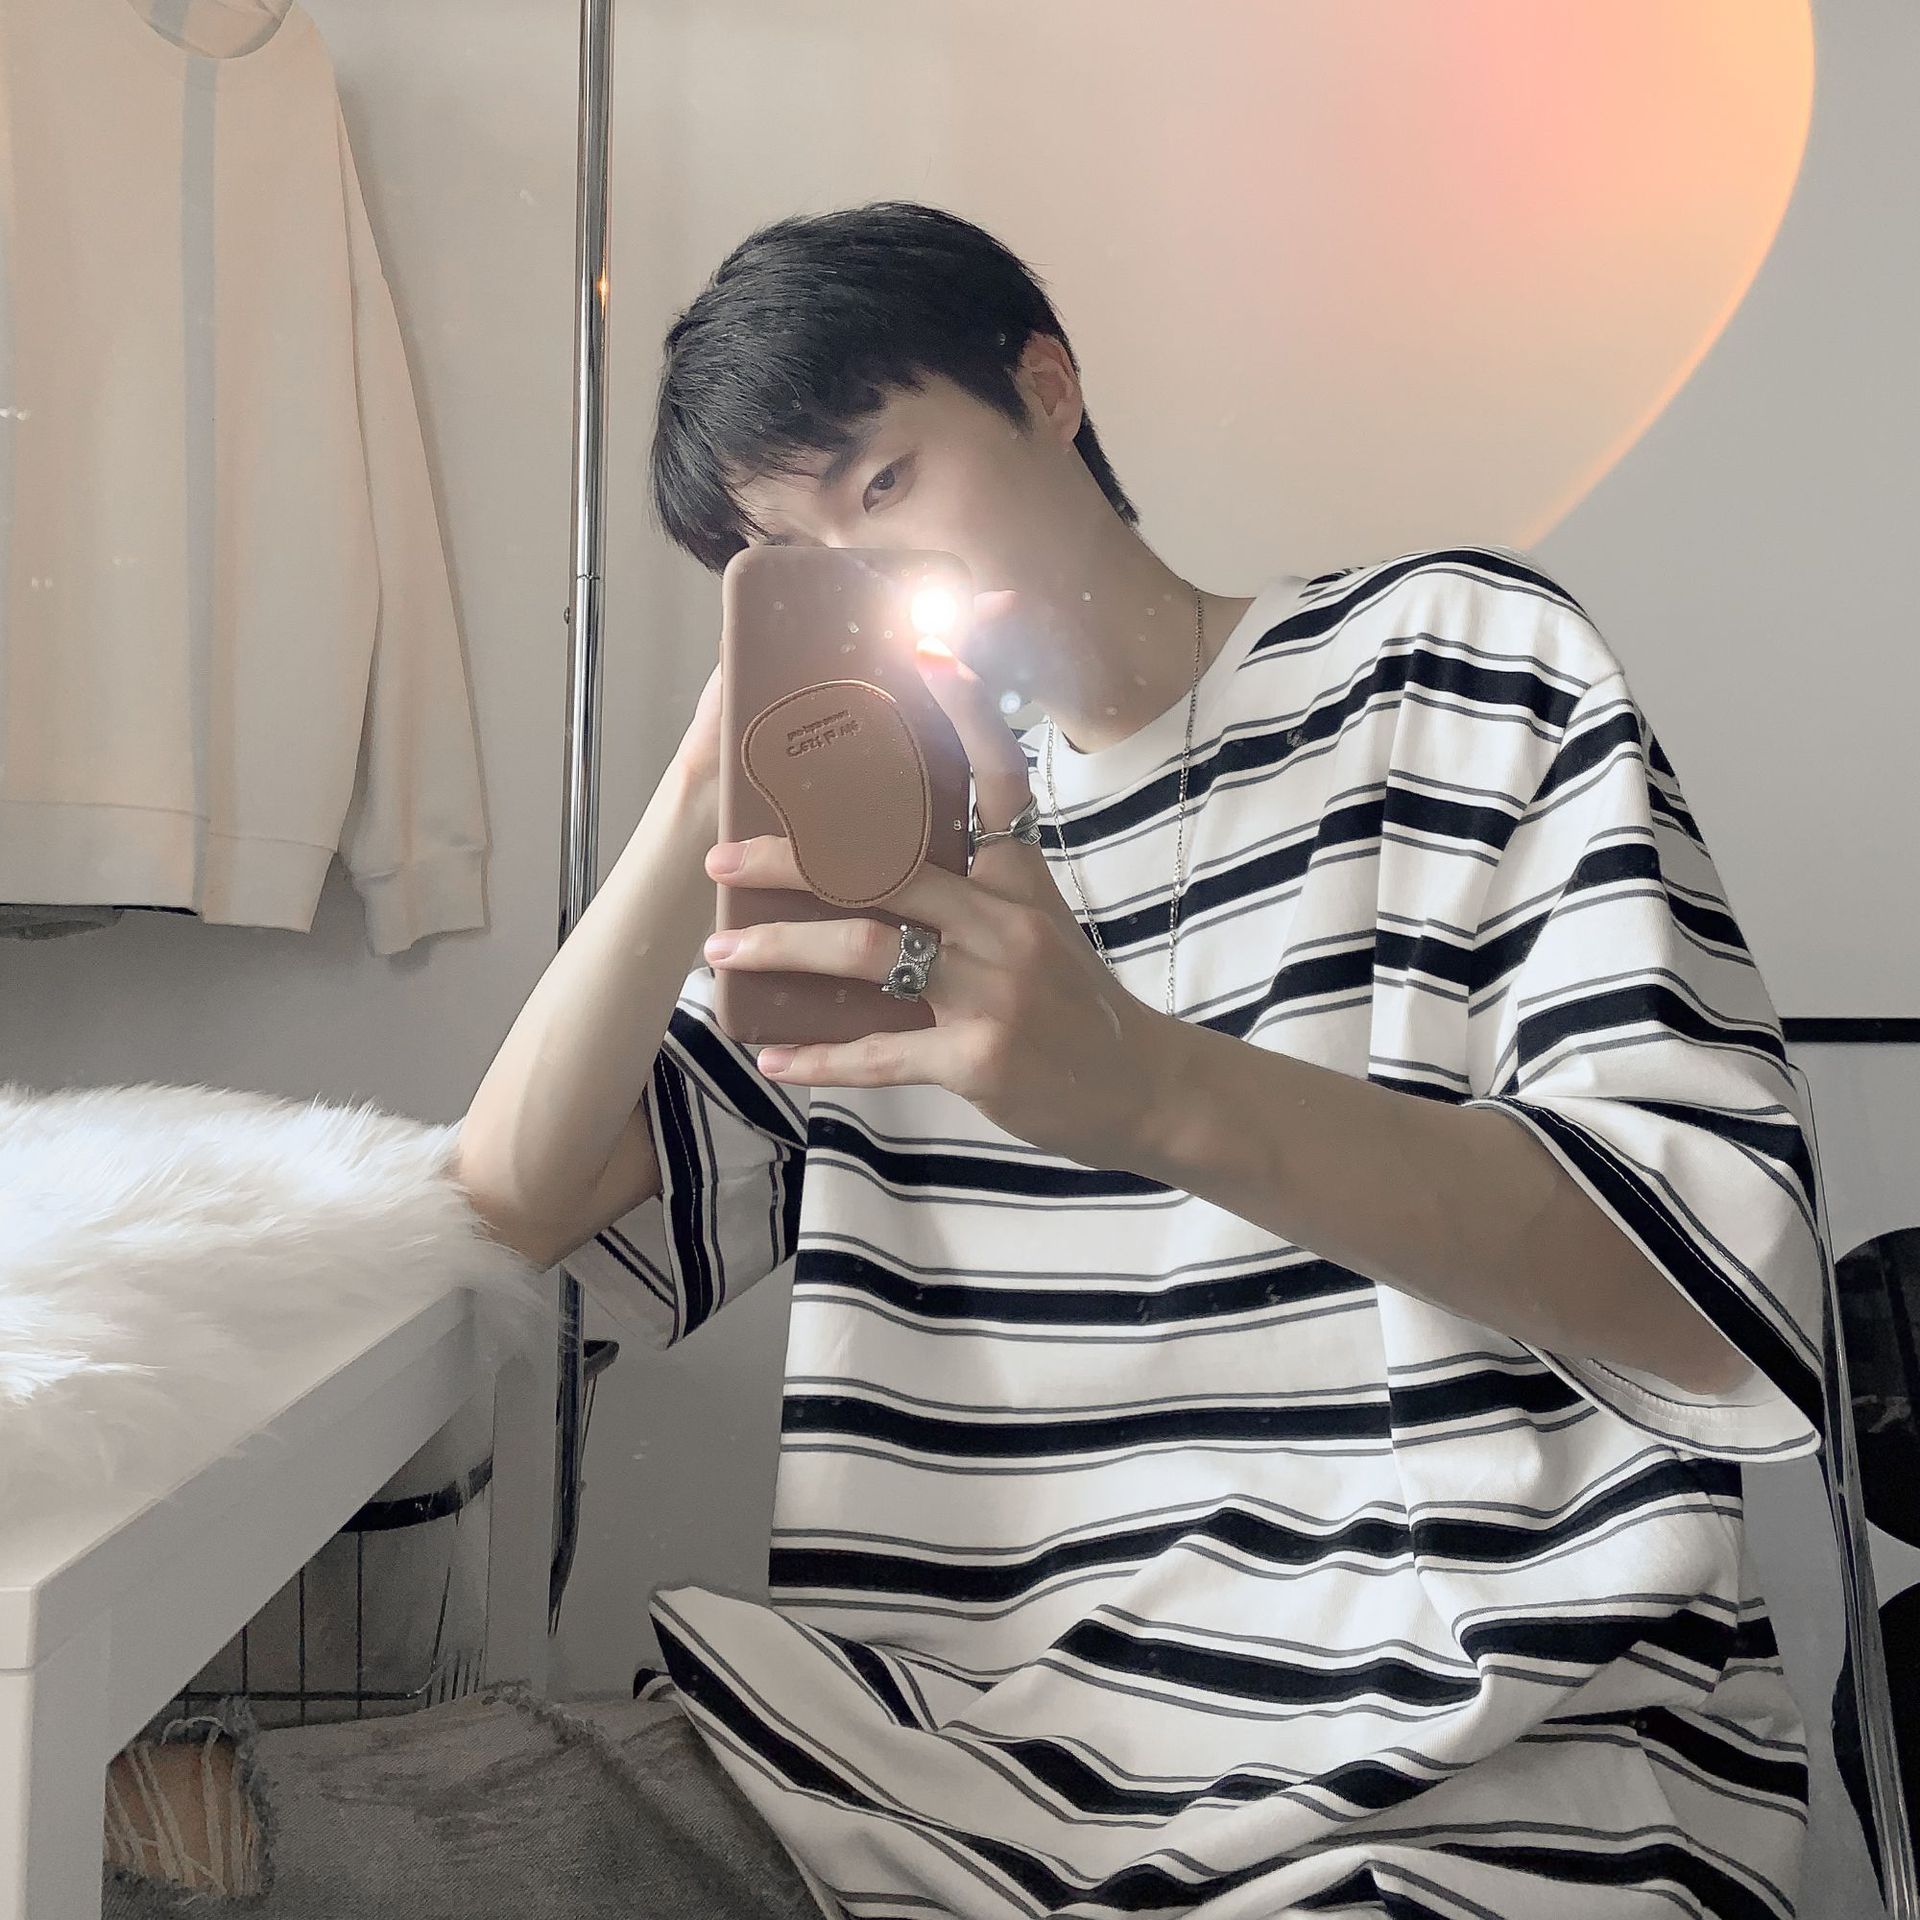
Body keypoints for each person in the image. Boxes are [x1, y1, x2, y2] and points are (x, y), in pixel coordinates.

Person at [111, 201, 1828, 1919]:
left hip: (1473, 1776)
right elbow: (511, 1207)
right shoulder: (888, 859)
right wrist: (701, 791)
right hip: (917, 1772)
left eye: (881, 483)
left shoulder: (1452, 668)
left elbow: (1724, 1298)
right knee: (152, 1839)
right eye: (787, 563)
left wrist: (1154, 1090)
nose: (865, 574)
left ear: (1048, 386)